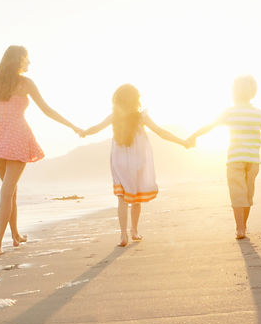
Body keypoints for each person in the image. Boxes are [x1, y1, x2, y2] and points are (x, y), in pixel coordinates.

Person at [0, 45, 83, 256]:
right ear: (19, 60)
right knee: (7, 190)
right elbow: (47, 110)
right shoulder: (26, 84)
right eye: (27, 59)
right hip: (17, 136)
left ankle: (14, 235)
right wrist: (73, 126)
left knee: (9, 189)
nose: (29, 63)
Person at [81, 84, 192, 247]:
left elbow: (96, 128)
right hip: (138, 160)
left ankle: (123, 234)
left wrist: (83, 132)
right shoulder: (141, 117)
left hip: (119, 161)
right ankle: (134, 230)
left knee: (122, 198)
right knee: (136, 197)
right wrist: (182, 142)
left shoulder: (114, 116)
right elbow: (161, 132)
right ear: (136, 100)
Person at [188, 75, 261, 239]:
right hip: (253, 160)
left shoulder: (229, 112)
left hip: (235, 158)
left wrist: (193, 135)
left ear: (234, 92)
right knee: (248, 195)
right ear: (253, 92)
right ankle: (243, 226)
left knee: (238, 194)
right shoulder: (258, 113)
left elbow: (210, 126)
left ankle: (240, 228)